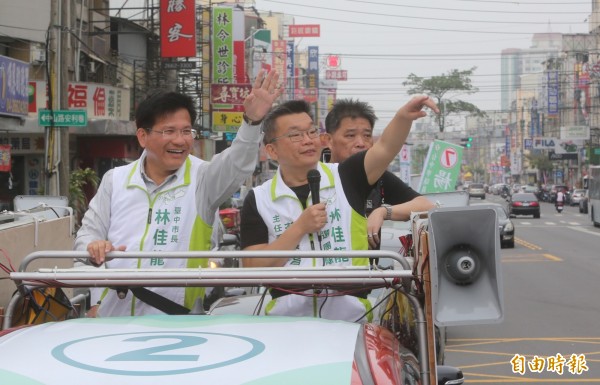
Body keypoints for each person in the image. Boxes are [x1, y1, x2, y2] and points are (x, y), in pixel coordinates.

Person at [75, 69, 282, 317]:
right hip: (112, 323)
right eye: (169, 131)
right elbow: (87, 236)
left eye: (186, 131)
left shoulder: (203, 179)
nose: (180, 140)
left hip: (176, 324)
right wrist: (96, 291)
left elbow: (236, 164)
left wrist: (251, 123)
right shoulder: (115, 180)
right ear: (143, 136)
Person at [240, 96, 438, 321]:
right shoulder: (258, 199)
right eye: (295, 135)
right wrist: (299, 228)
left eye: (312, 132)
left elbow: (384, 148)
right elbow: (252, 265)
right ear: (272, 151)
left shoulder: (347, 175)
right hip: (285, 323)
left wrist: (403, 117)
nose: (307, 140)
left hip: (353, 320)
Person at [323, 98, 434, 249]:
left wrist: (383, 212)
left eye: (367, 135)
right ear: (328, 140)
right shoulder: (314, 175)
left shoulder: (377, 178)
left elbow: (426, 206)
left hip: (366, 271)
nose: (361, 143)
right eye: (350, 136)